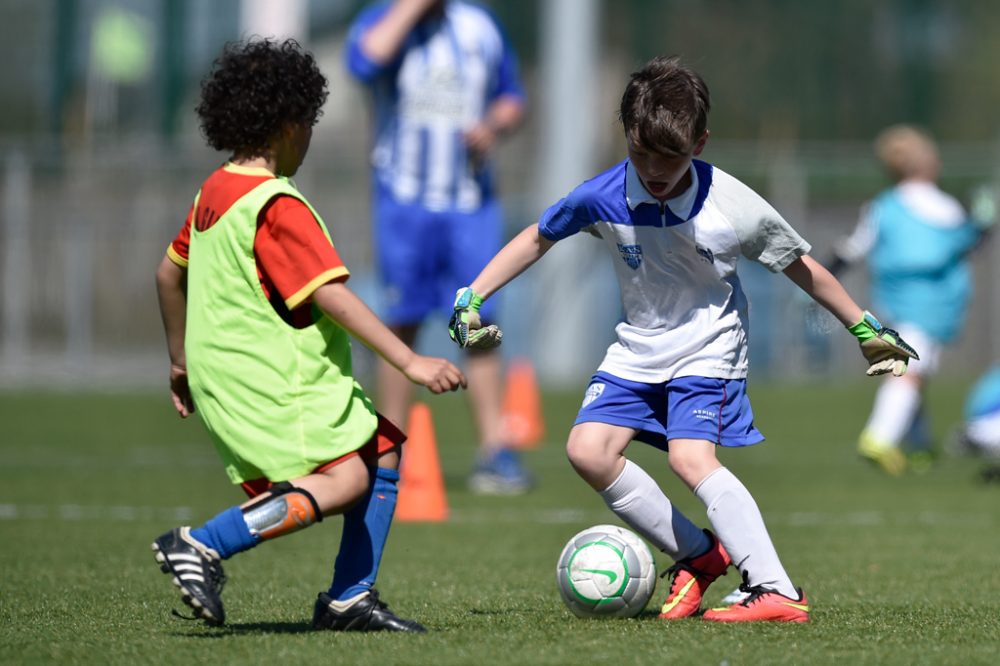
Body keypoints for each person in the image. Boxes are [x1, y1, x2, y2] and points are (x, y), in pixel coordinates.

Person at [448, 56, 917, 622]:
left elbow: (801, 266)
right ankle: (700, 555)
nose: (653, 169)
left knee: (690, 457)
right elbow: (537, 237)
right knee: (587, 452)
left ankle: (776, 589)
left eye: (669, 157)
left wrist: (862, 327)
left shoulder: (732, 204)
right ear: (627, 137)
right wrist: (473, 294)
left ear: (700, 143)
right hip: (637, 348)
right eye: (641, 153)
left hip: (709, 347)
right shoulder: (602, 195)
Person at [151, 38, 465, 633]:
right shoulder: (277, 205)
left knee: (381, 449)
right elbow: (332, 294)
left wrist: (179, 361)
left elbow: (168, 274)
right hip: (277, 378)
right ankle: (203, 543)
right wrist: (410, 362)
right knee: (346, 479)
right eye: (311, 125)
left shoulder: (214, 192)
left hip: (225, 372)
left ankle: (349, 598)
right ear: (291, 125)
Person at [345, 0, 530, 494]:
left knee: (477, 320)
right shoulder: (385, 19)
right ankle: (387, 455)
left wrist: (493, 126)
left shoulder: (479, 24)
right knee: (400, 321)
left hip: (470, 203)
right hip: (404, 202)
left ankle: (496, 452)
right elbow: (364, 61)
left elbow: (513, 97)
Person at [826, 125, 994, 475]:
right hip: (933, 304)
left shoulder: (882, 206)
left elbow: (852, 249)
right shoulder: (944, 206)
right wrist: (984, 223)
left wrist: (822, 279)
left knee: (914, 368)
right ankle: (879, 437)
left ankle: (919, 447)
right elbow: (967, 242)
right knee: (910, 370)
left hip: (895, 299)